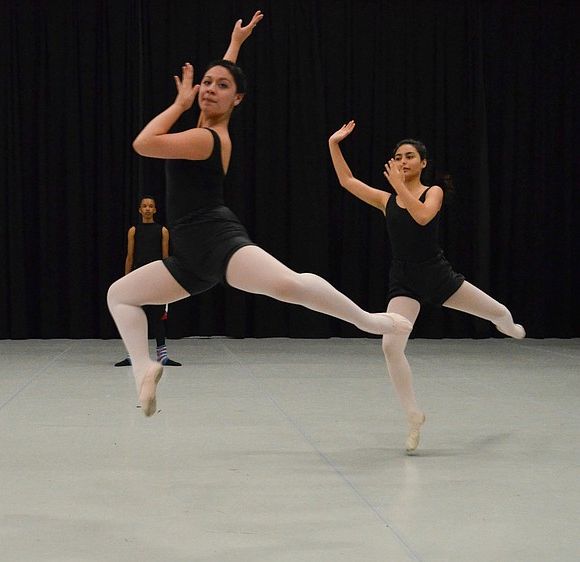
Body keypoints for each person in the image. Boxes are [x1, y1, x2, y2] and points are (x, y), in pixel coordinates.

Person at [106, 11, 412, 417]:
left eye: (222, 86)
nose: (210, 89)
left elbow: (144, 143)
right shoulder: (206, 121)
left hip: (217, 240)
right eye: (207, 83)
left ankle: (367, 320)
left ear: (238, 99)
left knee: (290, 286)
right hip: (189, 256)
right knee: (120, 295)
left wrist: (179, 102)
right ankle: (144, 368)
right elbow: (219, 86)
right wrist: (235, 45)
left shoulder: (205, 137)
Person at [328, 120, 525, 452]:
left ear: (423, 163)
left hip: (437, 276)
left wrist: (400, 187)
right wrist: (334, 144)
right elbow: (347, 181)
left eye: (409, 157)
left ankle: (511, 328)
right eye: (398, 157)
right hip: (403, 281)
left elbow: (422, 216)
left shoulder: (433, 191)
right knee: (391, 347)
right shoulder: (386, 200)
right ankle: (413, 415)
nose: (403, 162)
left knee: (498, 312)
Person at [114, 196, 182, 367]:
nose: (147, 209)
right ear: (140, 210)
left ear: (155, 210)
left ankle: (162, 356)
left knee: (158, 317)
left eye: (151, 206)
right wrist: (126, 280)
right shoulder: (134, 231)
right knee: (135, 318)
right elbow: (130, 256)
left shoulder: (162, 231)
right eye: (144, 206)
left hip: (156, 278)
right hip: (138, 278)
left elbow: (165, 257)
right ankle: (133, 355)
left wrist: (167, 280)